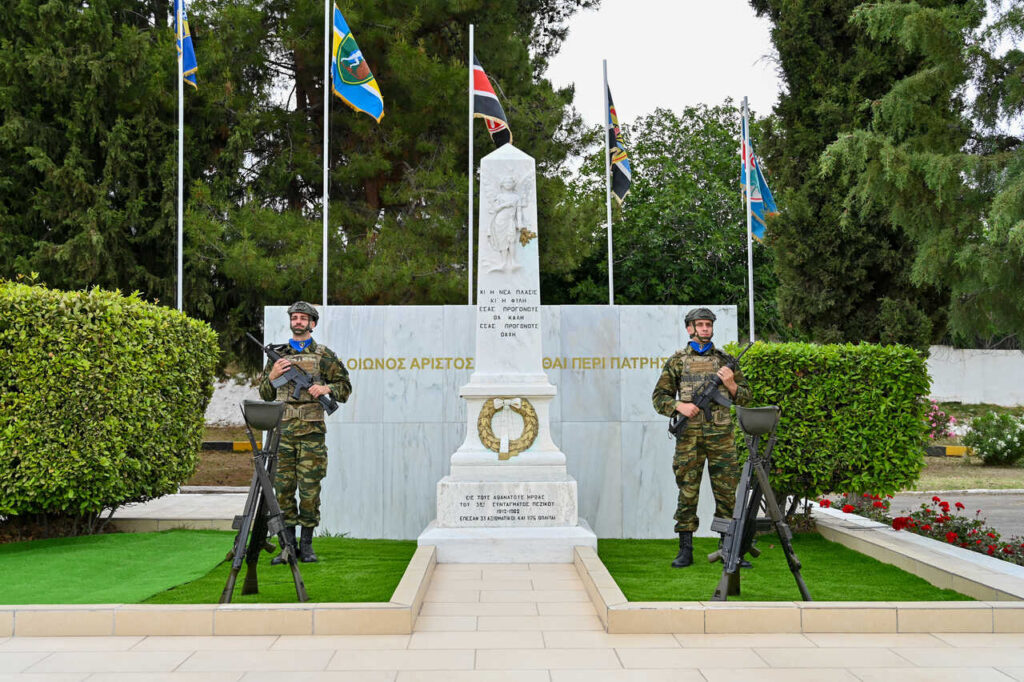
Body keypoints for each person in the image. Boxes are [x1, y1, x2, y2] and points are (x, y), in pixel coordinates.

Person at [651, 308, 751, 568]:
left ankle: (727, 548)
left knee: (727, 493)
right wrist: (679, 407)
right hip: (689, 439)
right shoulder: (677, 361)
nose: (705, 328)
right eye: (700, 324)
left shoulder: (726, 361)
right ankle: (685, 549)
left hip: (722, 438)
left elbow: (746, 398)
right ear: (689, 329)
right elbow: (658, 398)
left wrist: (730, 385)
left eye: (708, 324)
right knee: (687, 492)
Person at [259, 301, 351, 563]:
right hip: (283, 434)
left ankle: (307, 546)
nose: (298, 321)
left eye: (303, 318)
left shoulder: (324, 355)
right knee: (283, 490)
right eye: (295, 317)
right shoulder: (278, 355)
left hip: (311, 435)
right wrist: (273, 374)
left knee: (310, 491)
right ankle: (287, 547)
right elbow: (265, 395)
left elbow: (345, 387)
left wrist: (326, 389)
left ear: (312, 323)